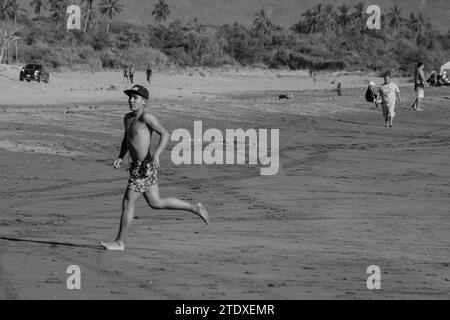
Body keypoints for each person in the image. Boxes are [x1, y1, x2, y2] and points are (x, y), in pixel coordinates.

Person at [101, 85, 209, 251]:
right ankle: (194, 208)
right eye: (130, 97)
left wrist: (157, 154)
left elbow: (165, 134)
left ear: (144, 101)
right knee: (155, 202)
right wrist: (120, 157)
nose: (131, 100)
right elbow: (127, 139)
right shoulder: (127, 118)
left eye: (135, 98)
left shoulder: (147, 117)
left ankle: (119, 242)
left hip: (144, 167)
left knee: (128, 203)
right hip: (137, 166)